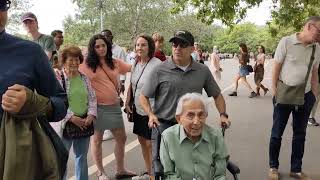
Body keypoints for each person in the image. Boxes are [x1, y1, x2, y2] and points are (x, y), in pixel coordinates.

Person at [139, 30, 230, 175]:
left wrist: (223, 114)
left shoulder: (202, 70)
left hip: (193, 126)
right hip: (164, 126)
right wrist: (150, 114)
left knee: (194, 165)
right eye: (175, 44)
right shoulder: (160, 69)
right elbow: (143, 96)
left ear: (192, 49)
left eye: (183, 44)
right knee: (163, 168)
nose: (177, 48)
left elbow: (217, 95)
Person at [0, 1, 68, 178]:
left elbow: (61, 102)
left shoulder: (30, 51)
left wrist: (33, 102)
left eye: (2, 4)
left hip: (17, 163)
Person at [268, 16, 320, 180]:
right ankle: (273, 167)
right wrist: (275, 91)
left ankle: (296, 169)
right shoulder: (286, 42)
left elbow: (314, 72)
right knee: (277, 134)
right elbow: (276, 67)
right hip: (283, 96)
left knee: (300, 134)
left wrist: (314, 95)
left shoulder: (317, 48)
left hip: (305, 97)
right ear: (309, 26)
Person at [79, 34, 136, 180]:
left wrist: (147, 59)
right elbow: (71, 74)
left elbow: (132, 68)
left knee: (121, 138)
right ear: (92, 48)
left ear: (108, 46)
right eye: (97, 46)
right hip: (97, 108)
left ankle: (120, 169)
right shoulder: (85, 65)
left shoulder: (115, 62)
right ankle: (100, 171)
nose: (101, 48)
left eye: (103, 45)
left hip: (114, 107)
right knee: (97, 140)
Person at [51, 46, 97, 180]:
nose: (75, 63)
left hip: (84, 122)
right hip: (65, 124)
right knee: (62, 158)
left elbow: (92, 98)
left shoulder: (84, 78)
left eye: (77, 59)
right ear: (64, 61)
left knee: (81, 157)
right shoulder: (58, 78)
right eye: (71, 59)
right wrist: (71, 117)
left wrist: (91, 115)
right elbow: (55, 101)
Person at [160, 93, 228, 180]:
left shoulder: (216, 136)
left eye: (201, 115)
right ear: (179, 118)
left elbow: (220, 174)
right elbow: (168, 174)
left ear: (206, 115)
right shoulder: (168, 137)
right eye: (190, 115)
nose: (196, 122)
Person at [125, 35, 162, 180]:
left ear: (150, 47)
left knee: (150, 144)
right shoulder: (135, 63)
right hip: (138, 109)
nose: (139, 48)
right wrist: (128, 101)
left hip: (152, 110)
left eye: (143, 45)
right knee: (142, 141)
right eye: (137, 45)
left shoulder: (157, 64)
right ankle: (150, 172)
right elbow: (133, 85)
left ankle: (156, 174)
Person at [101, 29, 127, 141]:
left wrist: (122, 82)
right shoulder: (102, 49)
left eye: (106, 36)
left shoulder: (119, 50)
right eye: (102, 37)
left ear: (111, 37)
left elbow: (123, 67)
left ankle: (112, 129)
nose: (104, 38)